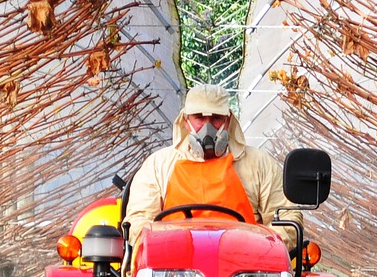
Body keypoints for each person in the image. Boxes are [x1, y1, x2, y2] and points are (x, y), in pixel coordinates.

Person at [122, 84, 298, 243]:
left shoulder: (259, 164)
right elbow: (138, 223)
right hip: (173, 270)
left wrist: (262, 247)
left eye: (216, 118)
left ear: (228, 121)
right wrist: (163, 245)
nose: (208, 128)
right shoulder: (158, 165)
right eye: (199, 118)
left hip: (245, 269)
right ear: (186, 121)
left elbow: (287, 219)